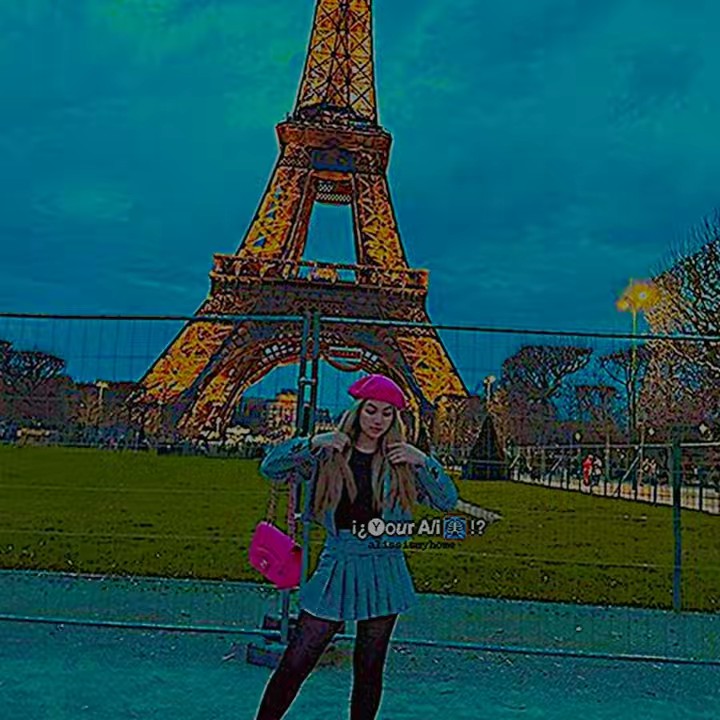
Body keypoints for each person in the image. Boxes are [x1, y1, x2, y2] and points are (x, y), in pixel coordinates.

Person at [253, 373, 459, 720]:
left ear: (395, 419)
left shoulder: (402, 461)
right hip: (339, 562)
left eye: (387, 413)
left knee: (369, 668)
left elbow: (447, 501)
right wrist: (312, 441)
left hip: (384, 567)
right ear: (357, 411)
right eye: (371, 410)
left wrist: (424, 461)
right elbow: (270, 468)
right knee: (296, 661)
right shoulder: (329, 453)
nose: (378, 420)